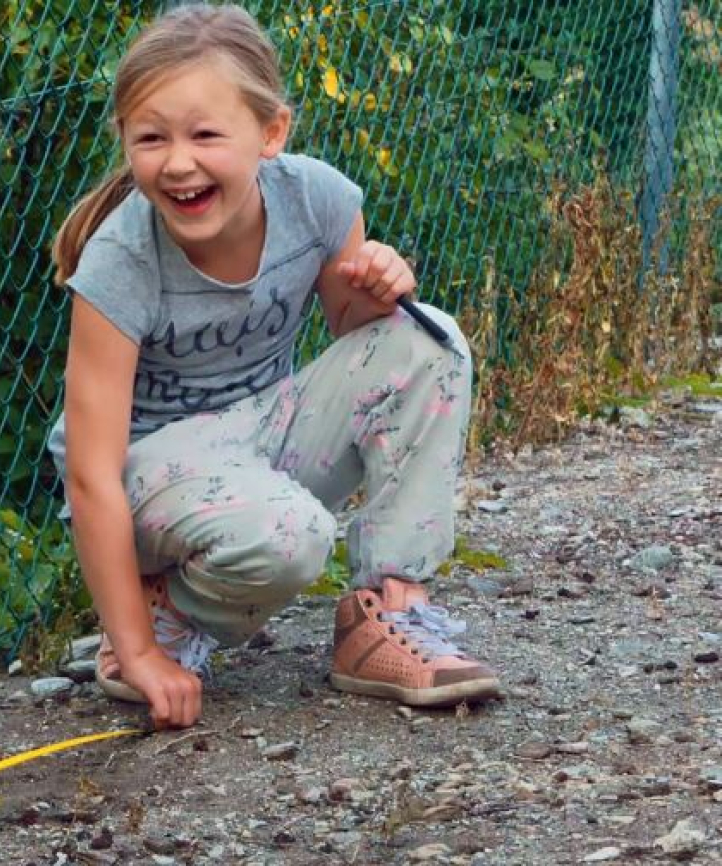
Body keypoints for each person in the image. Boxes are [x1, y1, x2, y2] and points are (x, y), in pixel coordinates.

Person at [46, 3, 500, 730]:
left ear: (271, 132)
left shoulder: (316, 200)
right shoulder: (121, 262)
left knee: (429, 338)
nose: (178, 162)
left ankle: (388, 609)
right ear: (125, 140)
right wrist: (136, 651)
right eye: (152, 138)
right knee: (294, 536)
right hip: (145, 482)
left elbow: (359, 342)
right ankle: (167, 615)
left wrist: (382, 284)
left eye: (204, 134)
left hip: (259, 441)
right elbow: (90, 476)